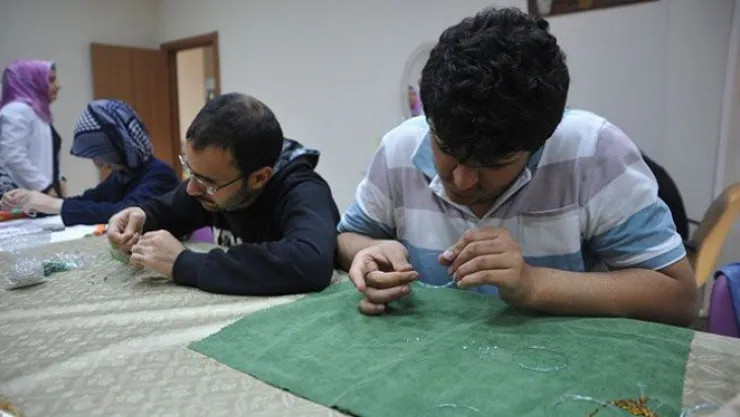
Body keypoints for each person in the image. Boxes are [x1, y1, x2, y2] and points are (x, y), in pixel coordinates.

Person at [336, 7, 696, 326]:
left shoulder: (593, 153)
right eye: (445, 149)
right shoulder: (399, 149)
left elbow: (678, 298)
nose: (461, 180)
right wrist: (368, 253)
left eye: (493, 164)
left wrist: (533, 284)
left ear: (540, 142)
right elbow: (347, 238)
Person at [106, 92, 340, 296]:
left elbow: (311, 262)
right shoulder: (211, 186)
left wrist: (184, 263)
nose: (191, 189)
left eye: (207, 182)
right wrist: (139, 216)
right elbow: (166, 211)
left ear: (259, 178)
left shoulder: (303, 190)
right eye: (190, 170)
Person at [1, 99, 180, 225]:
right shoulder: (122, 174)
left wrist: (56, 205)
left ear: (119, 147)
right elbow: (89, 200)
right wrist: (32, 202)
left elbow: (124, 212)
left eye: (101, 155)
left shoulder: (160, 174)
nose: (99, 165)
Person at [0, 60, 64, 198]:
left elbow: (48, 157)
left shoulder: (37, 113)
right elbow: (13, 156)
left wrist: (60, 182)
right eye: (51, 80)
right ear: (32, 82)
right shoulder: (17, 110)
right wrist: (45, 188)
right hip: (26, 199)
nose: (58, 86)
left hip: (43, 195)